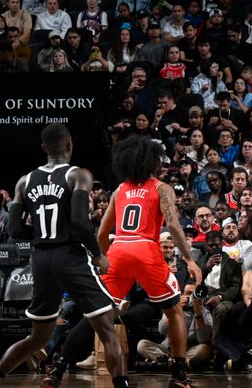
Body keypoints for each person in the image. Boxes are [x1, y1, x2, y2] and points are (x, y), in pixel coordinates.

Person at [0, 124, 128, 388]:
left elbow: (13, 230)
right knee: (107, 328)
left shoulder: (24, 181)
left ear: (43, 148)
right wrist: (98, 255)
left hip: (41, 260)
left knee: (36, 339)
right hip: (70, 255)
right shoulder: (78, 175)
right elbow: (80, 223)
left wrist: (41, 233)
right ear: (70, 145)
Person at [49, 136, 202, 388]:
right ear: (150, 162)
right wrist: (189, 259)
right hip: (146, 248)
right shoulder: (161, 188)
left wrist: (103, 259)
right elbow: (173, 225)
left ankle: (57, 369)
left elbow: (100, 234)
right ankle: (179, 374)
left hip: (118, 248)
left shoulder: (120, 190)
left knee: (97, 316)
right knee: (174, 311)